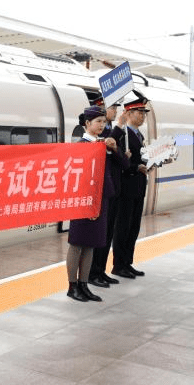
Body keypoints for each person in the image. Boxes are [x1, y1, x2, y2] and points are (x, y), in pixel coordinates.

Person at [65, 106, 121, 302]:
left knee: (91, 245)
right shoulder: (81, 145)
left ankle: (84, 284)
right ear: (87, 124)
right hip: (84, 201)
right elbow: (79, 178)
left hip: (101, 200)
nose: (102, 125)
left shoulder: (103, 144)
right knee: (77, 244)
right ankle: (72, 286)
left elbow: (121, 165)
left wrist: (113, 148)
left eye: (104, 122)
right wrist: (89, 203)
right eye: (98, 122)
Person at [88, 100, 130, 285]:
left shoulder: (112, 135)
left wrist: (117, 149)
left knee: (107, 234)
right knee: (99, 235)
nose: (115, 111)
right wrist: (119, 127)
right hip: (101, 192)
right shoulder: (100, 135)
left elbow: (123, 162)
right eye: (112, 108)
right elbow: (104, 147)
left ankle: (101, 270)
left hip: (113, 191)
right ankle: (92, 273)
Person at [111, 94, 151, 279]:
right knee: (123, 227)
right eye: (139, 112)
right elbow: (118, 161)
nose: (143, 116)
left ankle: (128, 262)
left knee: (134, 227)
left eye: (144, 113)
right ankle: (118, 265)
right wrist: (135, 166)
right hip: (126, 187)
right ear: (129, 113)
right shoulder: (123, 135)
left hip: (138, 187)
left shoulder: (139, 134)